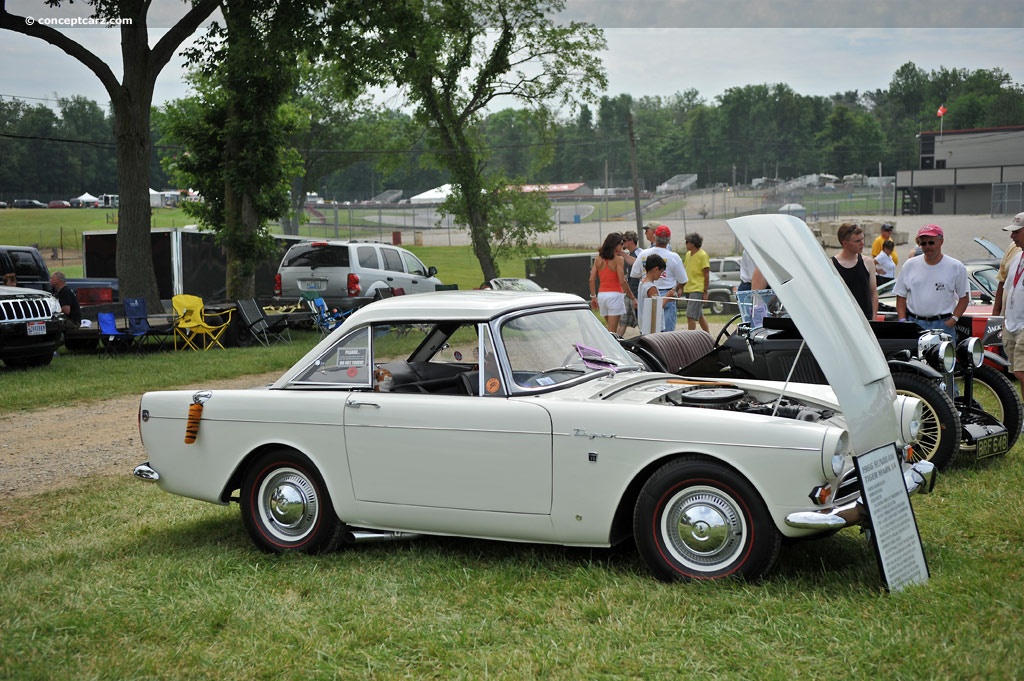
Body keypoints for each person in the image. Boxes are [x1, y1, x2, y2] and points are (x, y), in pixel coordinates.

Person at [894, 224, 969, 343]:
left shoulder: (956, 267)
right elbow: (901, 296)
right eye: (923, 243)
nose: (927, 246)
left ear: (941, 242)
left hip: (943, 324)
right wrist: (903, 321)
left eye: (931, 242)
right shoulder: (909, 265)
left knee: (943, 361)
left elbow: (964, 298)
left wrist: (953, 320)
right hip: (915, 323)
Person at [629, 225, 687, 331]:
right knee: (666, 334)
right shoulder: (674, 257)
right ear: (669, 239)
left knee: (648, 327)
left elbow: (634, 274)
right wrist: (677, 289)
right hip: (666, 293)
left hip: (644, 291)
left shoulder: (643, 254)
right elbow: (683, 280)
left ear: (655, 237)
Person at [997, 212, 1024, 400]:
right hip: (1012, 325)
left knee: (1022, 373)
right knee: (1018, 373)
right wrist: (1002, 319)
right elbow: (1006, 289)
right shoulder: (1016, 258)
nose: (1012, 236)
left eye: (1017, 232)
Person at [588, 232, 636, 333]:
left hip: (602, 295)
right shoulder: (618, 259)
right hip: (615, 295)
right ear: (615, 245)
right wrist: (632, 297)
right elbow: (622, 281)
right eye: (621, 244)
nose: (622, 247)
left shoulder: (598, 258)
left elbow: (592, 279)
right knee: (612, 331)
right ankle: (610, 348)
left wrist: (593, 297)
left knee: (610, 328)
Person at [831, 223, 878, 320]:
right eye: (857, 241)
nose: (862, 243)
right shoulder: (831, 265)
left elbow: (873, 292)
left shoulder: (868, 263)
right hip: (842, 319)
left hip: (865, 319)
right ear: (845, 243)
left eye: (862, 239)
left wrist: (874, 319)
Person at [992, 212, 1024, 315]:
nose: (1012, 236)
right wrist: (996, 315)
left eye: (1016, 232)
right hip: (1008, 322)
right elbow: (1002, 282)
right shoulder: (1013, 248)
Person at [682, 232, 710, 332]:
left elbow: (706, 274)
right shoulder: (688, 254)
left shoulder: (703, 255)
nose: (685, 244)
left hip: (697, 289)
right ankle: (708, 337)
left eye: (687, 242)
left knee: (690, 316)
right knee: (699, 315)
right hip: (688, 288)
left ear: (693, 243)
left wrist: (705, 291)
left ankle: (690, 339)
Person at [637, 253, 668, 335]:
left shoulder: (642, 282)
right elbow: (657, 306)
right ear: (656, 269)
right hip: (653, 327)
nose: (661, 275)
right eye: (661, 272)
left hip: (644, 326)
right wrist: (668, 297)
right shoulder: (651, 288)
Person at [617, 231, 641, 334]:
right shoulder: (629, 254)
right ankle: (616, 343)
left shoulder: (638, 252)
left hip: (636, 292)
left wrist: (622, 253)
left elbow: (639, 263)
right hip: (629, 292)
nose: (622, 244)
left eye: (624, 241)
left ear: (631, 241)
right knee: (623, 321)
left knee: (641, 320)